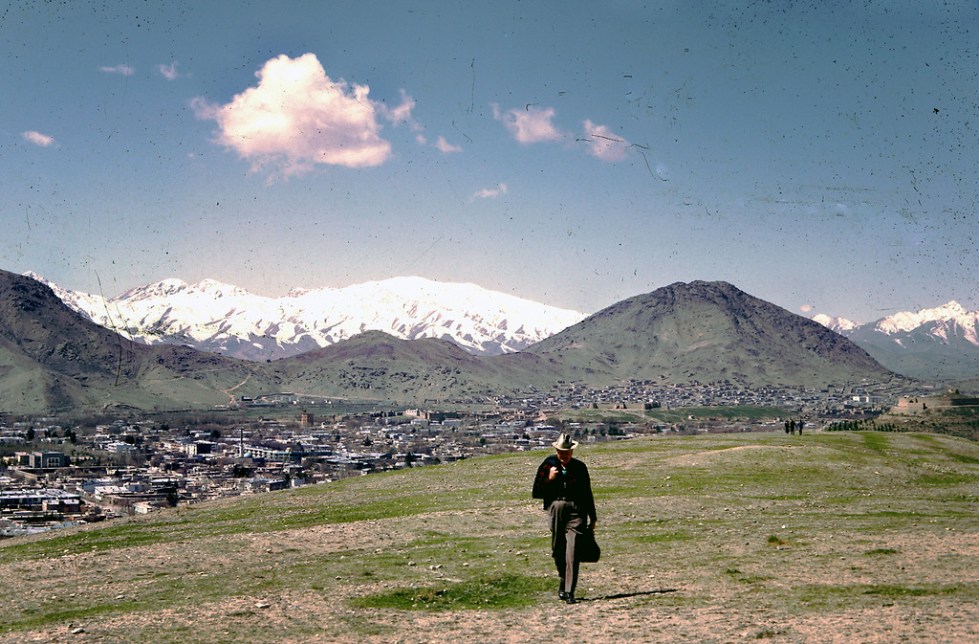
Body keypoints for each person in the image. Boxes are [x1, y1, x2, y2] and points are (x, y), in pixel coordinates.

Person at [532, 432, 597, 604]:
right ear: (556, 451)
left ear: (572, 452)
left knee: (573, 551)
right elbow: (537, 492)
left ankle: (569, 591)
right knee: (557, 549)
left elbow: (587, 493)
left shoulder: (580, 467)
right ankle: (563, 577)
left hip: (577, 511)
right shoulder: (548, 465)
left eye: (567, 452)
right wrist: (550, 479)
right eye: (561, 452)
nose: (564, 456)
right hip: (556, 509)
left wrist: (593, 517)